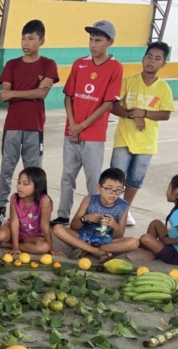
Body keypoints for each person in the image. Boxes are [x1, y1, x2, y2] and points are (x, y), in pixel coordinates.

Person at [0, 20, 59, 224]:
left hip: (35, 127)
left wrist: (15, 93)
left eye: (31, 39)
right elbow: (3, 95)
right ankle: (1, 207)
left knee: (34, 171)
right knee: (7, 168)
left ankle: (33, 209)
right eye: (23, 38)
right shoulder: (12, 64)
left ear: (41, 41)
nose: (26, 43)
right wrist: (32, 91)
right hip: (12, 126)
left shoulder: (48, 64)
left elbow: (42, 95)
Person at [50, 20, 123, 226]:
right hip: (71, 132)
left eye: (98, 40)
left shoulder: (115, 67)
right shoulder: (79, 63)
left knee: (94, 181)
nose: (92, 44)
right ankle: (63, 215)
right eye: (91, 39)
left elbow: (107, 103)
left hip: (93, 135)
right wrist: (73, 125)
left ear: (110, 42)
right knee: (67, 177)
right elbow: (68, 97)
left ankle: (93, 218)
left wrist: (82, 126)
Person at [110, 42, 174, 226]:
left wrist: (144, 113)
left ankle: (125, 211)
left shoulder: (164, 88)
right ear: (143, 59)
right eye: (149, 57)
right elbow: (114, 105)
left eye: (157, 58)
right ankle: (111, 210)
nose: (151, 61)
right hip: (124, 138)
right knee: (116, 178)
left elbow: (166, 114)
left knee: (134, 181)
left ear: (163, 63)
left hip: (146, 143)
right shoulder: (128, 81)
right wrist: (132, 114)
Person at [52, 168, 139, 261]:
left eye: (118, 190)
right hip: (84, 237)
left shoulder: (123, 206)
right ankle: (97, 252)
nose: (113, 194)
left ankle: (86, 249)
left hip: (107, 242)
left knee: (134, 243)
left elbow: (119, 236)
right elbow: (73, 227)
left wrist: (115, 226)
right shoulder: (89, 200)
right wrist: (85, 218)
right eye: (108, 189)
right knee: (57, 229)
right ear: (99, 188)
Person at [0, 167, 63, 256]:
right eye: (19, 182)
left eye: (25, 184)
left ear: (37, 187)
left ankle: (4, 244)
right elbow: (14, 223)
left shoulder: (44, 201)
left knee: (44, 247)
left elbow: (45, 225)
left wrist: (51, 248)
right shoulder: (14, 198)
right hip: (13, 230)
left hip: (32, 235)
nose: (19, 186)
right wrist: (15, 247)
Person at [138, 175, 178, 265]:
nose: (167, 190)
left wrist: (168, 241)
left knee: (145, 239)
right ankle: (150, 251)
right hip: (173, 243)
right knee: (155, 224)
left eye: (169, 187)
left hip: (175, 254)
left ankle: (151, 251)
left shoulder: (177, 214)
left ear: (176, 191)